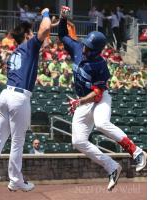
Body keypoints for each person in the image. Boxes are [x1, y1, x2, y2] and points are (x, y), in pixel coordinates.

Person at [58, 6, 147, 191]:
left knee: (100, 123)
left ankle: (137, 152)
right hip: (82, 101)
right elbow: (62, 35)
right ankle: (112, 167)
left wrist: (80, 101)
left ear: (96, 51)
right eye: (85, 45)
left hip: (99, 100)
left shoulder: (100, 64)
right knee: (78, 141)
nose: (85, 48)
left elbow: (97, 93)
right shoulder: (77, 48)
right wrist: (63, 18)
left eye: (89, 47)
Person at [0, 8, 51, 192]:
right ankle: (15, 180)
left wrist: (50, 23)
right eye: (30, 32)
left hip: (5, 95)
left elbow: (45, 32)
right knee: (17, 141)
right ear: (27, 35)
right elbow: (45, 27)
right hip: (19, 97)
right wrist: (46, 14)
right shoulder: (29, 45)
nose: (33, 35)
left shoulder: (15, 52)